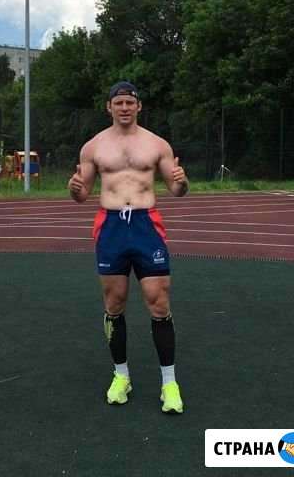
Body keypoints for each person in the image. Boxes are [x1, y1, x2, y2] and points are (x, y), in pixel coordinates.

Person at [68, 81, 189, 414]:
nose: (124, 107)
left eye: (129, 102)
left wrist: (182, 182)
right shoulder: (93, 147)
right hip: (111, 227)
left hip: (145, 225)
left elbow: (176, 190)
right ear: (109, 107)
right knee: (114, 302)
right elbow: (82, 195)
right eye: (118, 102)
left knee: (158, 302)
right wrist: (74, 189)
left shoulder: (157, 144)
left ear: (139, 106)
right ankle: (121, 376)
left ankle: (169, 384)